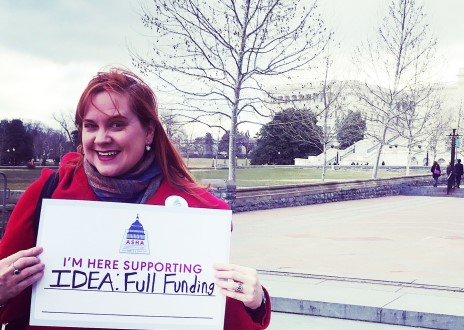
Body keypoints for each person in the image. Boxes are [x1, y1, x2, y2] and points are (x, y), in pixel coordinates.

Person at [0, 68, 271, 329]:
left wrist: (255, 301)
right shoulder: (47, 193)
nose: (101, 138)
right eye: (90, 126)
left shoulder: (197, 212)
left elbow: (216, 315)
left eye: (117, 124)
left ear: (149, 131)